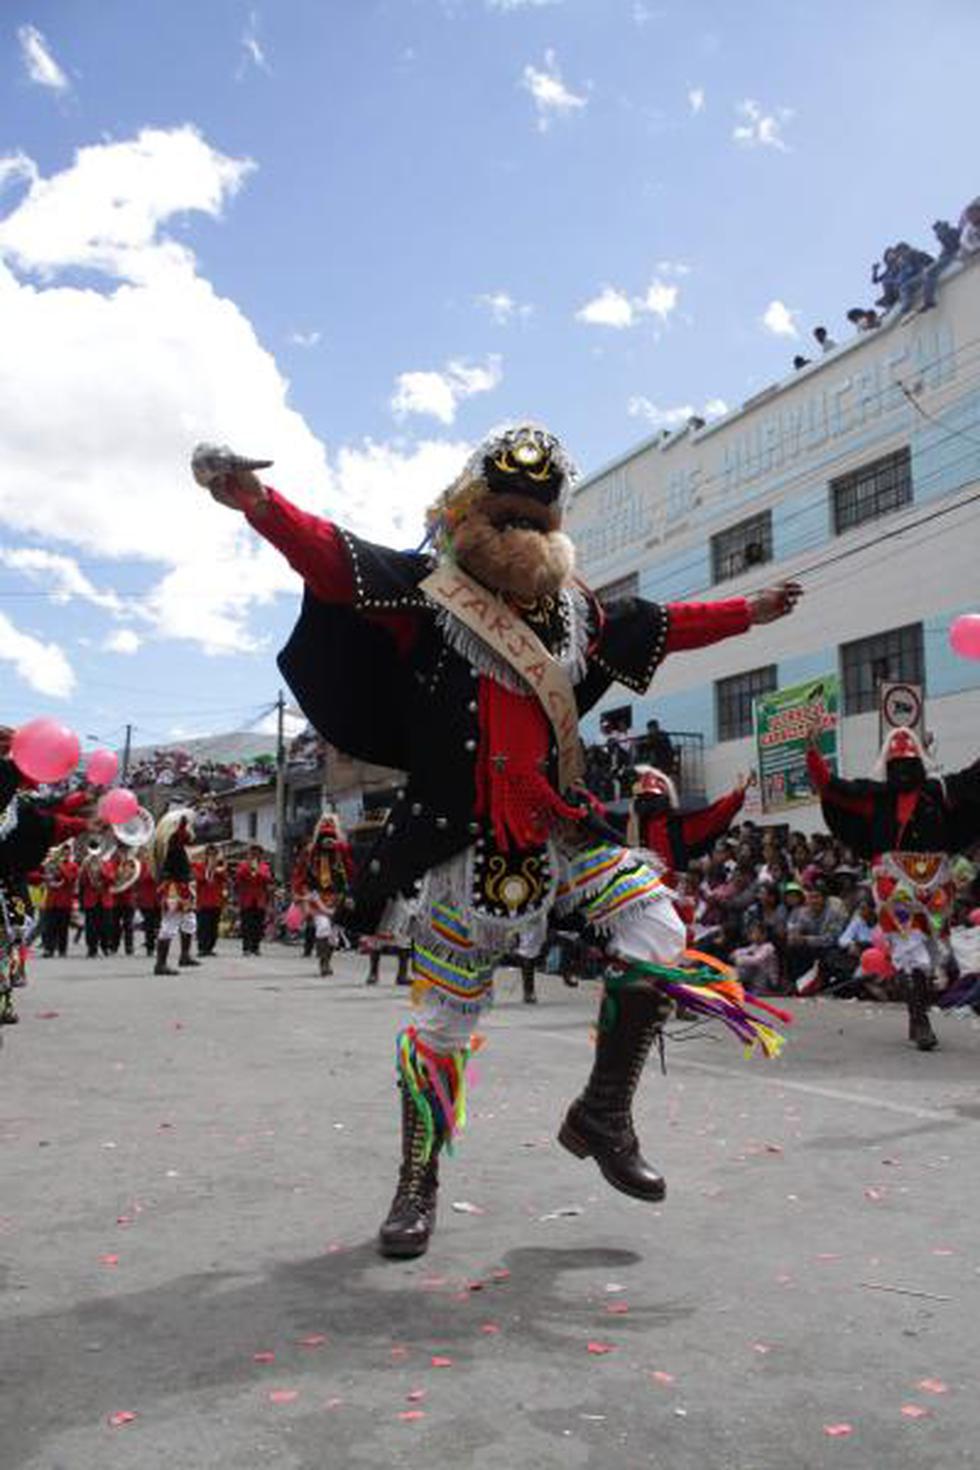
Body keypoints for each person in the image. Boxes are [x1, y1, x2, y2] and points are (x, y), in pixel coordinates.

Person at [193, 425, 802, 1258]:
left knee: (658, 930)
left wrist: (750, 611)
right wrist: (258, 504)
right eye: (504, 514)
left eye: (534, 519)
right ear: (470, 512)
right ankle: (417, 1184)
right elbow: (332, 558)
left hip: (561, 827)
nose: (520, 533)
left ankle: (603, 1114)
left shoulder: (575, 615)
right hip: (458, 843)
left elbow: (660, 623)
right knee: (445, 1024)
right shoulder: (425, 593)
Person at [807, 723, 980, 1049]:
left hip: (937, 883)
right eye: (897, 766)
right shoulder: (876, 797)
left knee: (931, 951)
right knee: (910, 947)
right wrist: (813, 755)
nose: (903, 772)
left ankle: (918, 1013)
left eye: (908, 765)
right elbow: (832, 787)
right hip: (894, 882)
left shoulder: (938, 791)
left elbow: (974, 778)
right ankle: (920, 1020)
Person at [0, 735, 91, 1022]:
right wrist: (86, 823)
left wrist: (82, 799)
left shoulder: (15, 798)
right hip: (6, 884)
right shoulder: (9, 789)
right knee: (9, 939)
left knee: (11, 939)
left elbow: (46, 811)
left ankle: (8, 993)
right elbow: (42, 820)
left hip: (9, 883)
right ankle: (6, 998)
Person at [628, 766, 755, 889]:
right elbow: (714, 817)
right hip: (651, 886)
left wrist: (737, 795)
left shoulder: (673, 823)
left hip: (670, 888)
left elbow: (713, 817)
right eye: (641, 799)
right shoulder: (639, 824)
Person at [301, 814, 354, 976]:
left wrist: (338, 848)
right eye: (324, 834)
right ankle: (323, 963)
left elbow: (351, 871)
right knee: (323, 927)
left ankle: (328, 961)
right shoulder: (311, 851)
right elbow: (301, 872)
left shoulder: (343, 849)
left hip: (338, 896)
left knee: (334, 935)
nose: (328, 839)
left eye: (331, 827)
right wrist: (302, 893)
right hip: (318, 896)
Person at [154, 811, 200, 975]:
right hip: (174, 887)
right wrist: (182, 823)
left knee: (189, 921)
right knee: (169, 924)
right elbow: (181, 835)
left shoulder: (180, 847)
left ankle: (185, 955)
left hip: (184, 886)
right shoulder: (172, 842)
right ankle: (160, 964)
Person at [40, 842, 78, 958]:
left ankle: (62, 949)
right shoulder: (51, 864)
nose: (65, 854)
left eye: (67, 852)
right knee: (49, 927)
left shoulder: (73, 866)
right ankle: (49, 949)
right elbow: (45, 877)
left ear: (69, 854)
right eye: (63, 852)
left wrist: (60, 867)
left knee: (63, 928)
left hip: (65, 901)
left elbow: (70, 879)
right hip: (51, 900)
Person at [235, 844, 273, 957]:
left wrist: (257, 871)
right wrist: (249, 867)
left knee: (258, 925)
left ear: (260, 855)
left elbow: (267, 879)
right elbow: (238, 876)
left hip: (260, 899)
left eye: (257, 853)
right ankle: (246, 947)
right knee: (246, 924)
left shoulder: (265, 866)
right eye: (252, 853)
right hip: (246, 899)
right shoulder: (243, 865)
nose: (254, 855)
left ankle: (255, 947)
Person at [918, 220, 962, 312]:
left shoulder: (949, 232)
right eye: (936, 230)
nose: (937, 232)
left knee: (930, 272)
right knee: (929, 273)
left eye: (937, 229)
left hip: (953, 255)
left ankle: (928, 301)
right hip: (949, 255)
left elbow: (953, 246)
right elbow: (946, 249)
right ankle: (928, 300)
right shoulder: (945, 234)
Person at [194, 844, 227, 957]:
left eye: (214, 854)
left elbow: (225, 878)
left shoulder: (219, 868)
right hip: (203, 901)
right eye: (210, 854)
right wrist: (209, 869)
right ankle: (202, 947)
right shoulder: (199, 866)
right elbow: (199, 879)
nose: (212, 856)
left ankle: (210, 947)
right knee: (203, 925)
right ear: (206, 855)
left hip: (216, 901)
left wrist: (218, 869)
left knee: (213, 926)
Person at [134, 848, 160, 955]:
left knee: (158, 924)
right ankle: (150, 947)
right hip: (146, 900)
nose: (147, 857)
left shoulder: (157, 866)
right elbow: (142, 879)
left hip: (158, 899)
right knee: (149, 924)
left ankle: (155, 942)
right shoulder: (139, 867)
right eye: (144, 855)